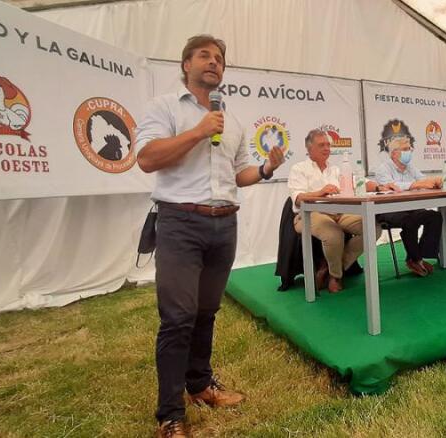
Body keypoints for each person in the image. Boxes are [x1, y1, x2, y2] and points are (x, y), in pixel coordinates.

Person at [135, 35, 285, 438]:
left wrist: (267, 169)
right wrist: (199, 131)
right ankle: (170, 414)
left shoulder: (230, 120)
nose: (214, 63)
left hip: (224, 224)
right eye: (204, 56)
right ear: (186, 64)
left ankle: (200, 385)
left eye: (219, 59)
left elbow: (240, 175)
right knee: (177, 318)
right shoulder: (164, 107)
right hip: (180, 223)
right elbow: (147, 158)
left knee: (206, 312)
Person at [288, 129, 365, 293]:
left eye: (328, 145)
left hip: (338, 212)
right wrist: (320, 192)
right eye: (321, 145)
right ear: (309, 149)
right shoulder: (299, 168)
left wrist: (379, 186)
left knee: (372, 228)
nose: (326, 148)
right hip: (309, 215)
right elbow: (298, 197)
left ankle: (332, 267)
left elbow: (357, 183)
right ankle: (335, 276)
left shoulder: (336, 169)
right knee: (334, 234)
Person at [374, 122, 443, 277]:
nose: (409, 152)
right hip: (387, 210)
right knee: (410, 219)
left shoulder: (410, 166)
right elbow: (393, 187)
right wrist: (415, 184)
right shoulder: (383, 169)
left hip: (410, 207)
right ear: (394, 154)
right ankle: (416, 258)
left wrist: (434, 182)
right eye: (405, 150)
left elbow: (423, 181)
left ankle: (419, 256)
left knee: (435, 216)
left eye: (409, 149)